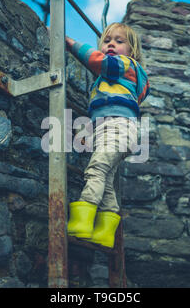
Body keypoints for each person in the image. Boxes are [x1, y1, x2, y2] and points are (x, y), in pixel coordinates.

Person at [66, 23, 150, 248]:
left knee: (96, 169)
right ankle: (105, 230)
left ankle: (82, 219)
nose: (111, 44)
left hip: (118, 128)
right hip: (110, 129)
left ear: (132, 52)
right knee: (107, 179)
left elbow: (100, 62)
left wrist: (69, 42)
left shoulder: (125, 65)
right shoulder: (116, 77)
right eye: (107, 40)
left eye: (119, 41)